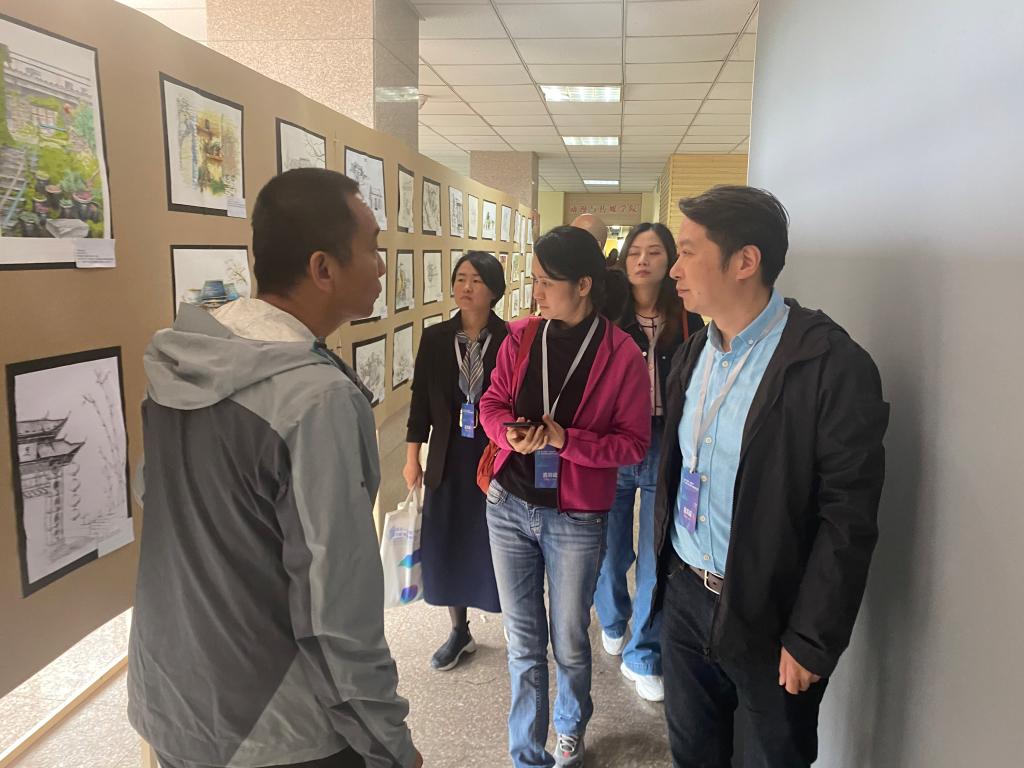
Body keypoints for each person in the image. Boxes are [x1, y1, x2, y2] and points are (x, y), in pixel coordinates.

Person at [128, 169, 422, 768]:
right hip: (277, 729)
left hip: (170, 700)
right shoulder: (315, 399)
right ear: (323, 268)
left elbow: (151, 498)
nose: (382, 266)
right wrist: (388, 741)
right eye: (372, 247)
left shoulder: (181, 363)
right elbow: (335, 607)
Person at [650, 185, 889, 767]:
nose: (673, 270)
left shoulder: (829, 365)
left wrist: (811, 638)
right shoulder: (694, 354)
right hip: (685, 596)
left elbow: (847, 518)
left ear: (745, 261)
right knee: (693, 754)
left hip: (769, 615)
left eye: (687, 252)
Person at [479, 226, 651, 768]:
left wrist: (564, 440)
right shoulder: (522, 337)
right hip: (509, 505)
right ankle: (527, 753)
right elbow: (491, 402)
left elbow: (633, 444)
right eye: (533, 280)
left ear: (583, 285)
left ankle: (570, 729)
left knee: (570, 640)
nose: (535, 293)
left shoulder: (622, 354)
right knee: (522, 641)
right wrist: (507, 434)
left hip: (575, 517)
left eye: (545, 282)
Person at [593, 222, 705, 703]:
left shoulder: (689, 318)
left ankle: (644, 652)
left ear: (670, 259)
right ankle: (612, 617)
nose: (643, 260)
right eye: (635, 251)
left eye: (655, 251)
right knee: (611, 549)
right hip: (616, 441)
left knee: (656, 553)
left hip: (666, 441)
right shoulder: (608, 316)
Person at [403, 251, 507, 671]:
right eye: (461, 278)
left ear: (494, 290)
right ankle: (459, 630)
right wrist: (412, 457)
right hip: (448, 456)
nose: (466, 287)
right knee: (450, 541)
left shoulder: (511, 339)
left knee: (496, 541)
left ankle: (516, 621)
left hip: (494, 457)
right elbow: (419, 404)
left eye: (477, 280)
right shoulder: (435, 339)